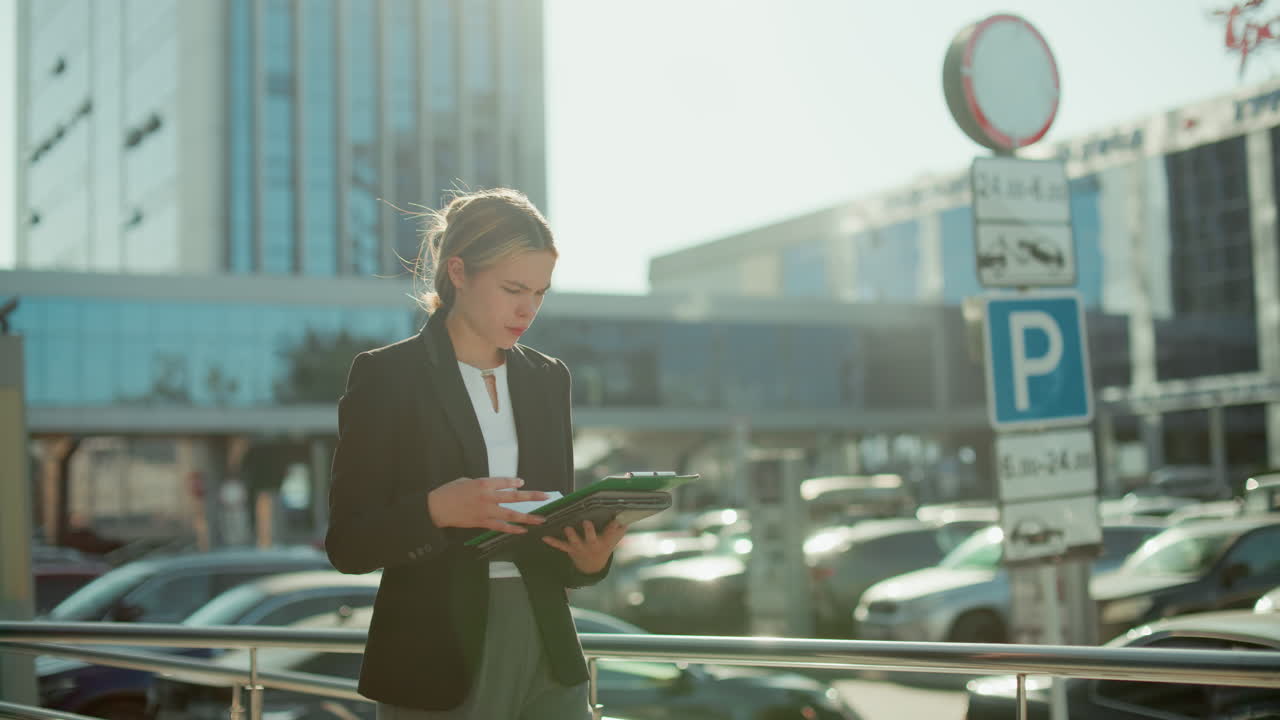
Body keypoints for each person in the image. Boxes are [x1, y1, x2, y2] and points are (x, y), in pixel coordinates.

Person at [325, 188, 627, 719]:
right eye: (513, 288)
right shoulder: (387, 377)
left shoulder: (547, 380)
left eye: (540, 292)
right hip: (435, 654)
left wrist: (589, 560)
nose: (528, 309)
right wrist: (437, 509)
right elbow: (348, 543)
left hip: (548, 649)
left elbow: (552, 519)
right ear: (458, 272)